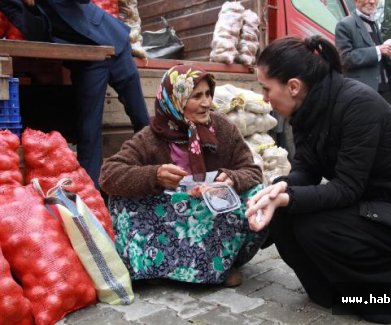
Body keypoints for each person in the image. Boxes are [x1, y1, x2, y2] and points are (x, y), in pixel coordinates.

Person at [245, 36, 391, 323]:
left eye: (266, 89)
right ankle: (330, 291)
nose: (264, 98)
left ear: (293, 86)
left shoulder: (358, 104)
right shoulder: (306, 109)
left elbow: (346, 188)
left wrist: (288, 197)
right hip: (370, 207)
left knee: (316, 227)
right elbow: (306, 170)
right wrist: (280, 188)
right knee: (282, 210)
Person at [99, 64, 266, 286]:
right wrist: (154, 175)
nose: (206, 103)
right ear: (174, 100)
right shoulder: (151, 136)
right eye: (196, 96)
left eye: (208, 94)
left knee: (259, 195)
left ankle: (221, 266)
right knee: (122, 198)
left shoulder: (222, 128)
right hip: (172, 213)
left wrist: (231, 179)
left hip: (210, 209)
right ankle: (157, 266)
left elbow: (252, 171)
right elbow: (108, 175)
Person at [0, 0, 150, 187]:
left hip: (111, 39)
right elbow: (37, 32)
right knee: (88, 130)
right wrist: (31, 6)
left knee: (141, 118)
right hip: (88, 57)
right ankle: (93, 196)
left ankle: (156, 177)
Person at [335, 0, 391, 105]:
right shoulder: (345, 24)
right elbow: (345, 58)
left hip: (385, 91)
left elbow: (379, 56)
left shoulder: (374, 24)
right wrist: (378, 50)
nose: (372, 2)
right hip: (363, 92)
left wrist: (390, 55)